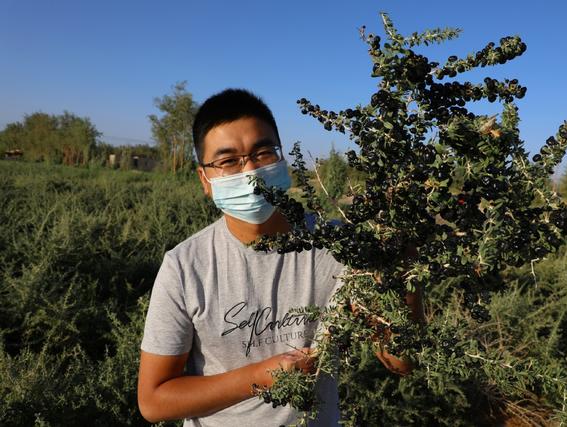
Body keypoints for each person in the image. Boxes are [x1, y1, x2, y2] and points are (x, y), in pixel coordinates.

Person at [137, 89, 412, 426]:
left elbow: (400, 363)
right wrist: (258, 378)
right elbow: (153, 401)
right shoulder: (185, 267)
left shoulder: (341, 247)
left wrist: (401, 270)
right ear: (204, 180)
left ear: (282, 160)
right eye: (227, 161)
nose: (250, 171)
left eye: (263, 153)